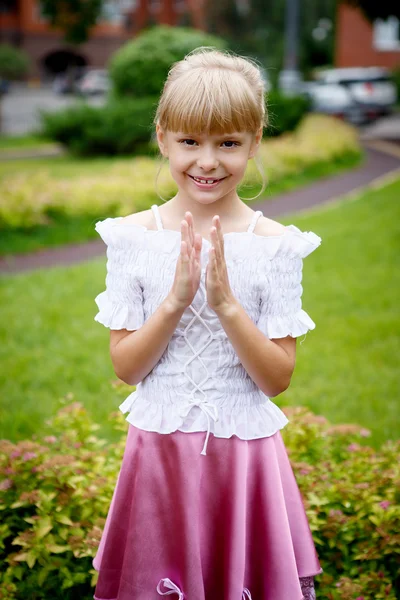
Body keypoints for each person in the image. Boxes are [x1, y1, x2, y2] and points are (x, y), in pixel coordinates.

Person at [92, 47, 323, 600]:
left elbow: (277, 379)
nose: (208, 162)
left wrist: (225, 304)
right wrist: (174, 301)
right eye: (191, 142)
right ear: (164, 137)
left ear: (253, 144)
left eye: (228, 144)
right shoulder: (131, 238)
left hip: (243, 457)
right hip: (160, 453)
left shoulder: (276, 247)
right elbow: (126, 369)